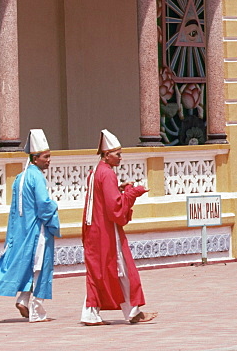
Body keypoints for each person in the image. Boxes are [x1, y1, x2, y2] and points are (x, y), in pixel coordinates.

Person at [0, 129, 59, 322]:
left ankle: (23, 300)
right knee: (40, 268)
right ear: (35, 158)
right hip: (38, 230)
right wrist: (54, 209)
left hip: (23, 230)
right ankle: (37, 311)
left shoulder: (19, 178)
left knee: (29, 267)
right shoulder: (37, 177)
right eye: (46, 157)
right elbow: (44, 204)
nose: (49, 160)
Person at [80, 129, 158, 326]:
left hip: (96, 229)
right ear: (106, 155)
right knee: (123, 269)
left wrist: (120, 189)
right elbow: (115, 208)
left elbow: (105, 198)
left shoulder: (96, 171)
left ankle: (95, 313)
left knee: (100, 271)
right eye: (117, 154)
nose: (120, 158)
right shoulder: (107, 174)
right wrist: (132, 193)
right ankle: (131, 311)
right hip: (106, 231)